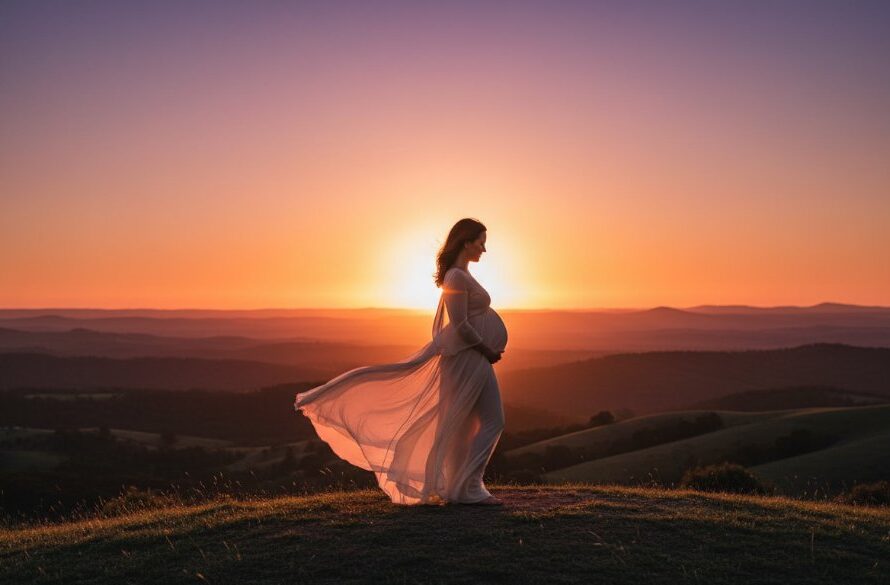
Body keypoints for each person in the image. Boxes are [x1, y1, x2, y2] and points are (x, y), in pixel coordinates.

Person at [294, 217, 508, 506]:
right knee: (488, 421)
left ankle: (462, 488)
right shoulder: (456, 277)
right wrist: (486, 349)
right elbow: (459, 324)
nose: (484, 248)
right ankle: (467, 488)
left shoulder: (463, 275)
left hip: (473, 357)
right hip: (468, 357)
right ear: (465, 241)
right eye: (481, 241)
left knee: (468, 424)